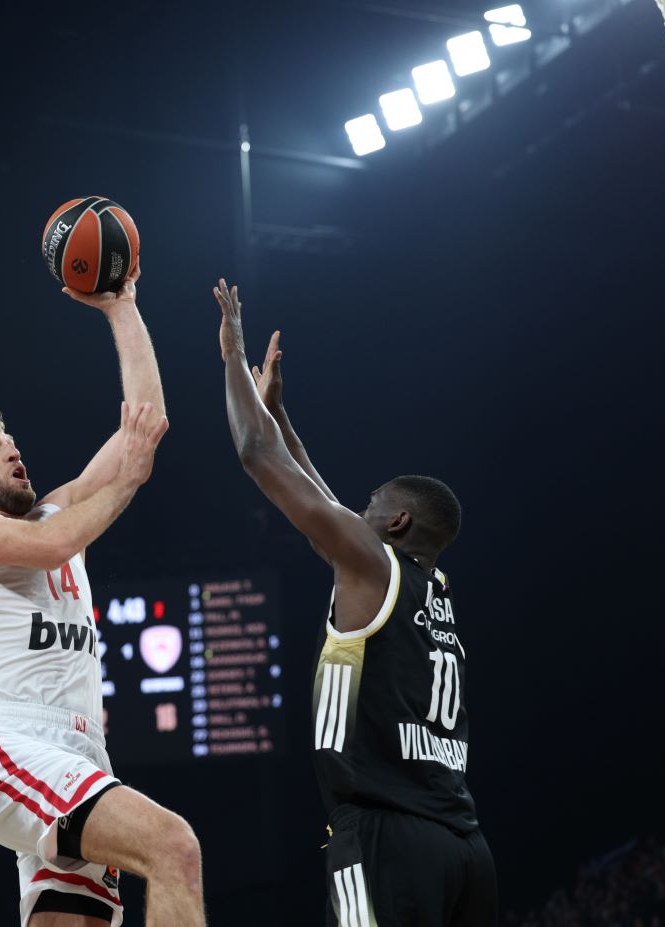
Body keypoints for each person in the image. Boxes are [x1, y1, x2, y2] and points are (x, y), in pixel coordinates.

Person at [0, 268, 205, 927]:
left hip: (82, 751)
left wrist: (122, 309)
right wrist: (126, 483)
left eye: (13, 442)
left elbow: (145, 423)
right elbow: (55, 545)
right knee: (173, 846)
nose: (12, 451)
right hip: (12, 741)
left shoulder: (58, 509)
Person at [215, 277, 497, 926]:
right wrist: (281, 415)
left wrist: (231, 354)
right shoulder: (433, 592)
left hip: (386, 838)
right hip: (464, 848)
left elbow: (255, 453)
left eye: (370, 504)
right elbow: (322, 503)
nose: (355, 510)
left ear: (396, 522)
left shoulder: (373, 563)